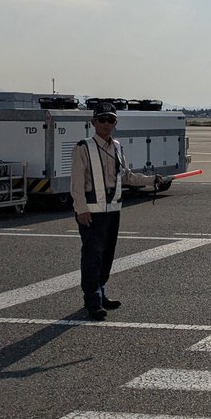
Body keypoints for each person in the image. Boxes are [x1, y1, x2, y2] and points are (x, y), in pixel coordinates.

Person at [71, 102, 162, 320]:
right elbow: (76, 181)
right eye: (102, 119)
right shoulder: (83, 147)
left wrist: (152, 180)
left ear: (116, 123)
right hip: (91, 212)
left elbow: (126, 176)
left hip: (112, 211)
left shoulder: (118, 147)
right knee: (92, 256)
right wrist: (81, 208)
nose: (106, 124)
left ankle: (101, 292)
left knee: (107, 256)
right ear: (93, 122)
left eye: (111, 120)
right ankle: (92, 299)